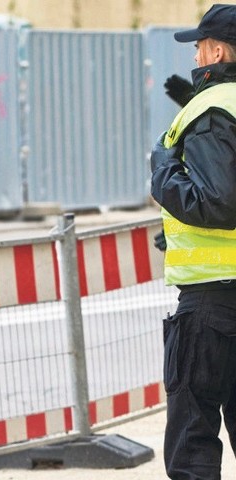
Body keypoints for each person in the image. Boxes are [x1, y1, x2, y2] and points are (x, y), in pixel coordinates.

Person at [150, 4, 236, 478]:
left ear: (217, 50)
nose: (195, 57)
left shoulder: (211, 108)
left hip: (213, 303)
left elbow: (218, 202)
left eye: (199, 47)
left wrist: (162, 170)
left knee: (193, 442)